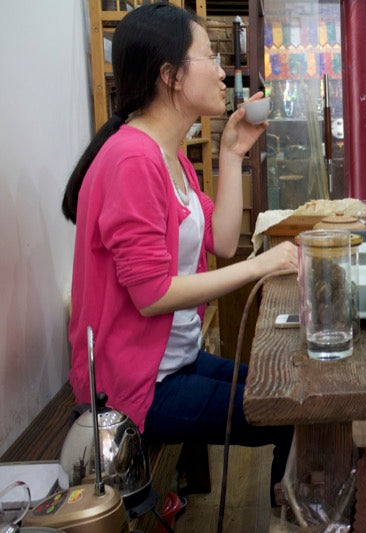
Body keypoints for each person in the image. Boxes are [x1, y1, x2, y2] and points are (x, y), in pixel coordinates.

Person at [62, 4, 296, 504]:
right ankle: (302, 505)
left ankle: (293, 500)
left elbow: (224, 241)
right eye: (208, 56)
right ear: (170, 75)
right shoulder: (132, 160)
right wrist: (264, 264)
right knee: (290, 406)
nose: (219, 69)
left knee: (287, 387)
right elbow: (152, 295)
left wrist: (231, 154)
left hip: (174, 361)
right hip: (137, 386)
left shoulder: (169, 158)